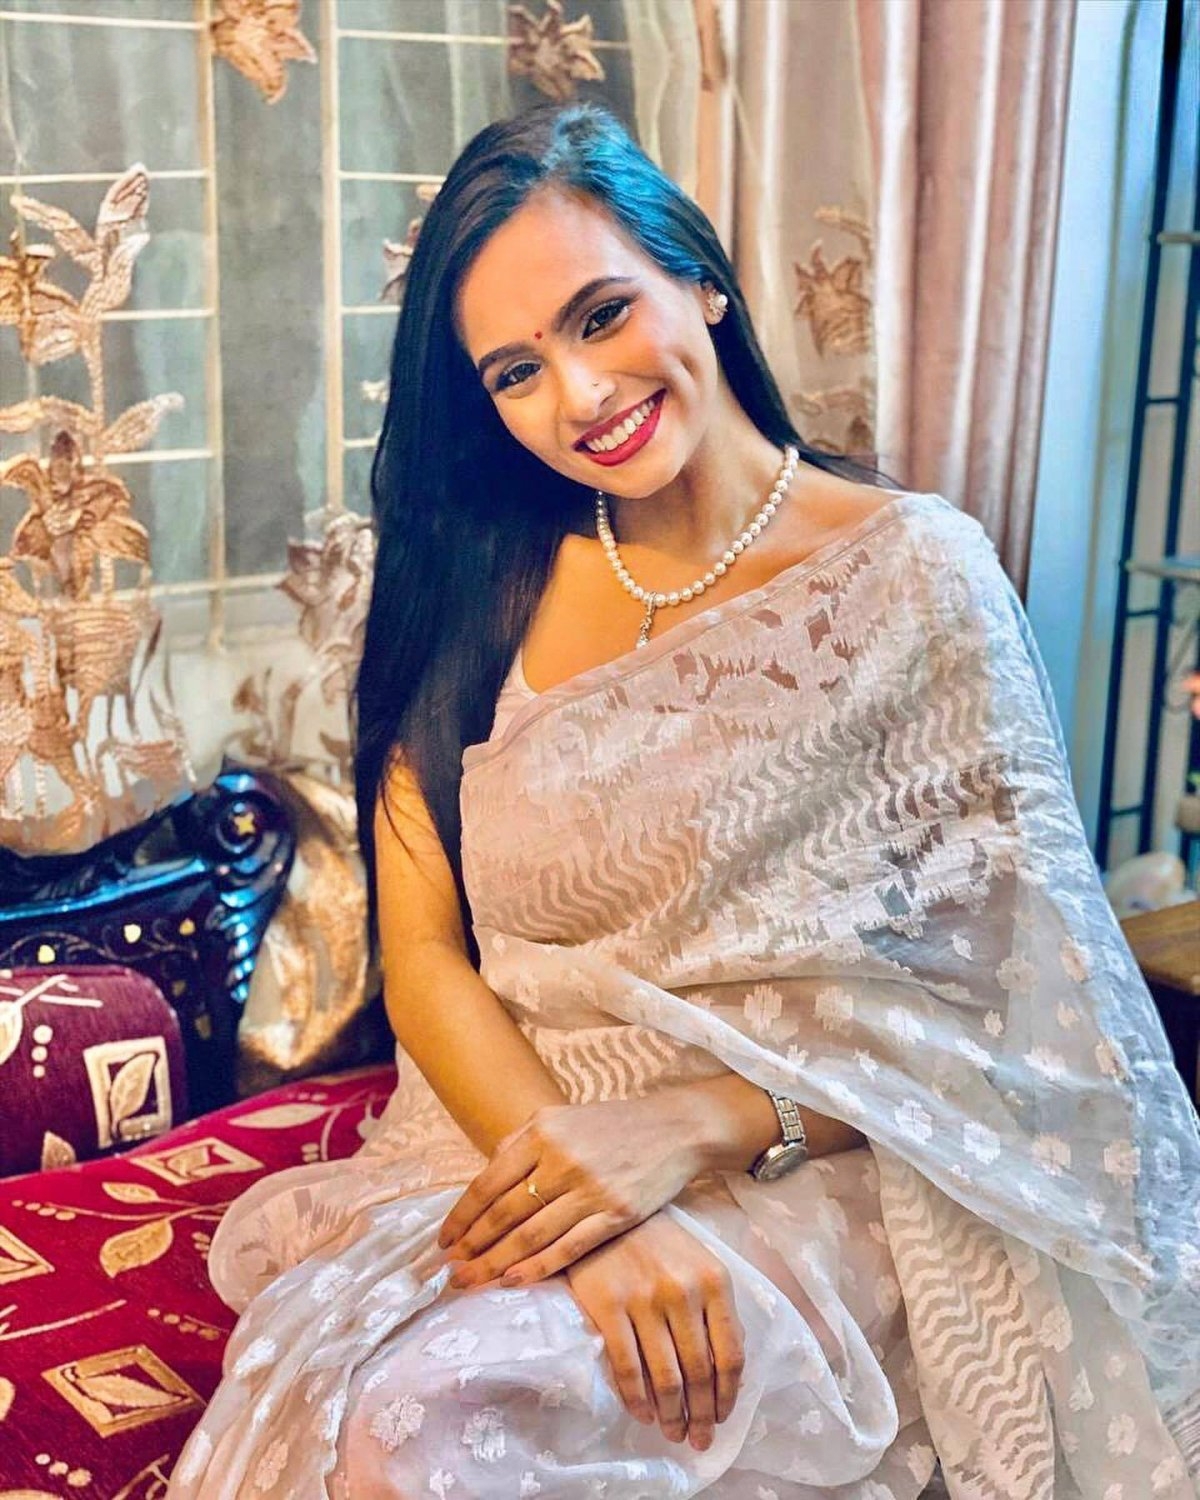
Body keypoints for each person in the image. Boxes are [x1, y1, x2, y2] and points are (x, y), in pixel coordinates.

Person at [169, 103, 1200, 1499]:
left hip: (814, 1158)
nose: (582, 395)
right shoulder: (472, 579)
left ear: (700, 279)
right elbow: (424, 956)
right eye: (518, 371)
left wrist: (691, 1131)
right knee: (391, 1405)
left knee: (429, 1417)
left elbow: (1012, 1008)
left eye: (603, 315)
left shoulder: (915, 575)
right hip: (510, 1130)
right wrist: (584, 1203)